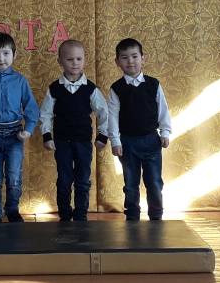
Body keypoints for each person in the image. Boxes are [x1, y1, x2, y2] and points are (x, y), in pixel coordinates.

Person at [39, 39, 109, 222]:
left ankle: (80, 214)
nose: (75, 63)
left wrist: (103, 135)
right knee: (64, 179)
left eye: (79, 59)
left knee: (83, 179)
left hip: (83, 142)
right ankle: (64, 213)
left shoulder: (90, 89)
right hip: (62, 142)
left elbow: (103, 112)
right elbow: (45, 114)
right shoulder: (55, 88)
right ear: (60, 61)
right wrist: (47, 136)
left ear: (84, 60)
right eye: (70, 59)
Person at [0, 32, 40, 223]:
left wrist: (28, 129)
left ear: (14, 54)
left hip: (14, 135)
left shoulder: (20, 80)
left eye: (6, 53)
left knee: (14, 178)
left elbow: (31, 107)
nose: (1, 58)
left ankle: (12, 210)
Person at [107, 37, 173, 221]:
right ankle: (132, 216)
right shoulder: (116, 89)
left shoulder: (153, 84)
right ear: (117, 62)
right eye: (125, 57)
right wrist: (115, 141)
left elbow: (163, 110)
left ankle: (156, 216)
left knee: (154, 182)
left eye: (135, 56)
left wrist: (165, 132)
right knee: (130, 183)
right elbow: (112, 117)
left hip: (151, 140)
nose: (130, 61)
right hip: (127, 143)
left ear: (143, 58)